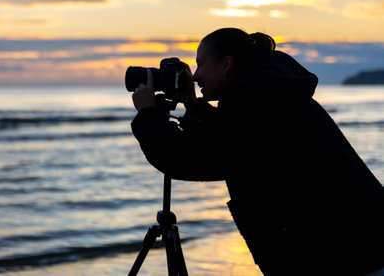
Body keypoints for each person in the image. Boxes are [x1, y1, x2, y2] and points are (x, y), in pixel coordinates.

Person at [130, 28, 384, 276]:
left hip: (346, 256)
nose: (195, 77)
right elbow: (229, 139)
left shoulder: (254, 99)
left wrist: (147, 114)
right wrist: (193, 105)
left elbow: (186, 159)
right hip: (358, 244)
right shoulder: (266, 92)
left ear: (226, 63)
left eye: (201, 64)